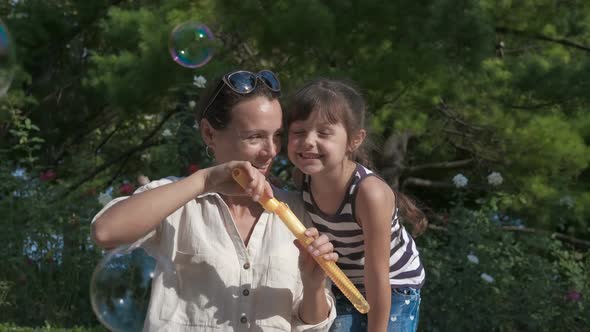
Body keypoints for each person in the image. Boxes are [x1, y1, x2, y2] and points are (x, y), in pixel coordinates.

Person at [91, 69, 338, 331]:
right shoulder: (177, 200)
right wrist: (205, 181)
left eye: (277, 135)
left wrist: (312, 287)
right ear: (209, 133)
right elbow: (105, 232)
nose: (271, 151)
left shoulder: (298, 211)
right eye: (255, 136)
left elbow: (314, 326)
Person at [286, 79, 427, 332]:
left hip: (393, 287)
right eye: (298, 131)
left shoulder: (369, 194)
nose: (308, 141)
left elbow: (378, 274)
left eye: (324, 133)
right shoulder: (302, 177)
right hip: (344, 283)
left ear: (354, 140)